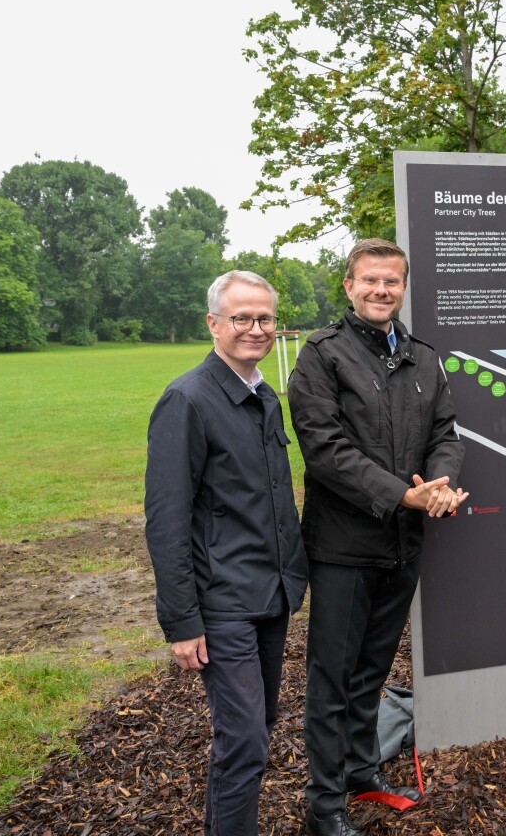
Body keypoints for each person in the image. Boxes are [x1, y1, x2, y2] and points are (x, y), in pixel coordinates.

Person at [289, 238, 468, 836]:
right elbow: (325, 450)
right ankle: (324, 805)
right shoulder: (322, 355)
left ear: (404, 287)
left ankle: (360, 771)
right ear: (349, 285)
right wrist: (401, 495)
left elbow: (445, 432)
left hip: (403, 544)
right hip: (343, 548)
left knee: (371, 672)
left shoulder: (422, 357)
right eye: (369, 280)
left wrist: (440, 484)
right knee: (333, 681)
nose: (380, 290)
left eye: (391, 281)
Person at [144, 270, 309, 836]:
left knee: (256, 730)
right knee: (243, 741)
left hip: (270, 593)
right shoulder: (187, 400)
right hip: (222, 603)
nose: (255, 328)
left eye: (265, 318)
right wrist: (182, 621)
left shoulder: (263, 396)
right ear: (213, 323)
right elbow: (167, 519)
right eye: (241, 317)